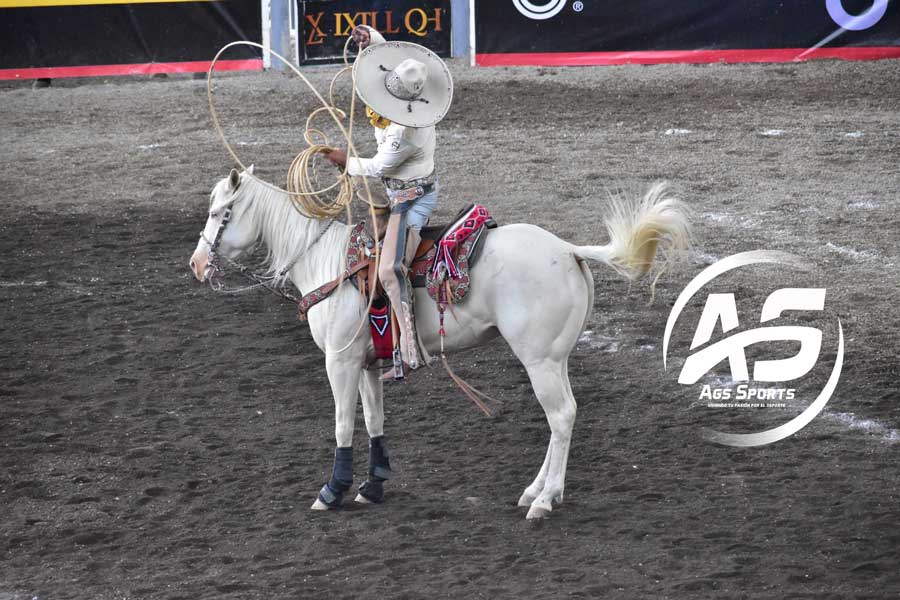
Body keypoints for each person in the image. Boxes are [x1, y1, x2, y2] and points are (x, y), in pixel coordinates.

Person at [326, 26, 453, 381]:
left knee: (388, 271)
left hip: (411, 200)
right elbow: (388, 61)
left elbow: (381, 165)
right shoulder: (415, 101)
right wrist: (372, 39)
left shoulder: (405, 131)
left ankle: (411, 352)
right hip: (406, 189)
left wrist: (346, 162)